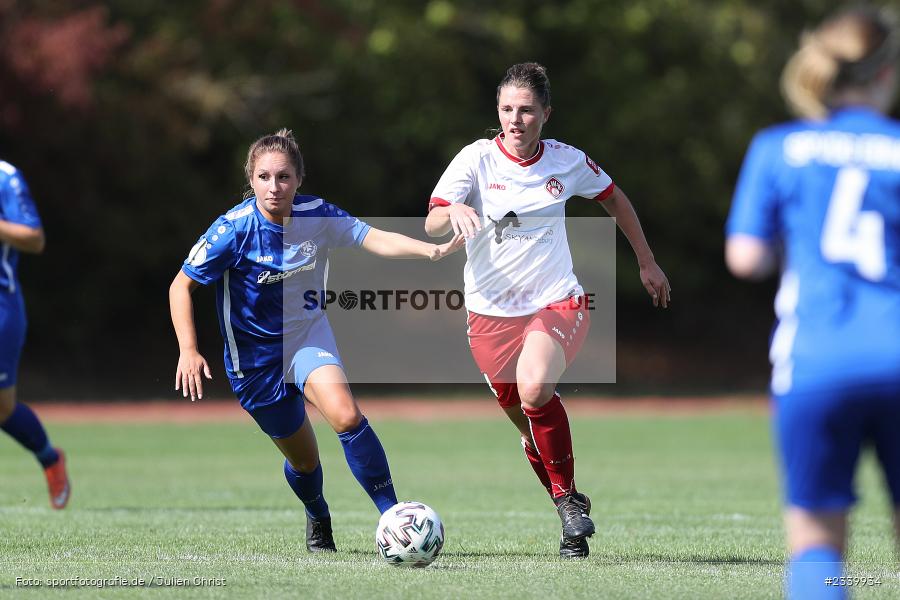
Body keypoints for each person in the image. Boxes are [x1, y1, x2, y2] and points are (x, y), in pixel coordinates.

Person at [169, 129, 463, 553]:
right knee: (304, 462)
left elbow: (372, 237)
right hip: (254, 363)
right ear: (251, 179)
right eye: (265, 177)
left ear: (299, 179)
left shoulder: (317, 214)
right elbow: (181, 287)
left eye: (284, 177)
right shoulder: (232, 230)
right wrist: (189, 349)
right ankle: (318, 514)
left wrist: (431, 252)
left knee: (345, 417)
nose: (275, 187)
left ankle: (396, 518)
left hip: (308, 339)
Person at [425, 63, 671, 558]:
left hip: (557, 300)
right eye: (507, 109)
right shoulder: (474, 160)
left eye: (526, 110)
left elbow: (615, 199)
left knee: (536, 388)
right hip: (489, 315)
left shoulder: (565, 161)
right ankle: (570, 501)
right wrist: (452, 211)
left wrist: (647, 261)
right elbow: (432, 221)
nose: (515, 119)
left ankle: (566, 506)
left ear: (546, 114)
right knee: (530, 430)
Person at [726, 8, 900, 599]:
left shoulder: (779, 147)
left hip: (817, 363)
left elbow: (746, 257)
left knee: (817, 544)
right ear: (887, 73)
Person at [0, 159, 70, 509]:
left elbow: (34, 237)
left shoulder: (5, 177)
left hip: (1, 307)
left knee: (2, 408)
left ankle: (49, 458)